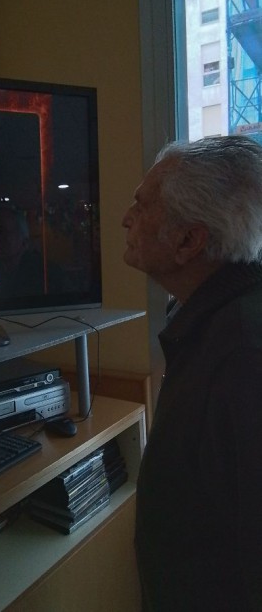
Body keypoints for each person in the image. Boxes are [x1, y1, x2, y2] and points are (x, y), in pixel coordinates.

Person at [122, 134, 262, 611]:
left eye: (142, 206)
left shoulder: (244, 355)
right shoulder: (216, 319)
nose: (126, 219)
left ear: (188, 241)